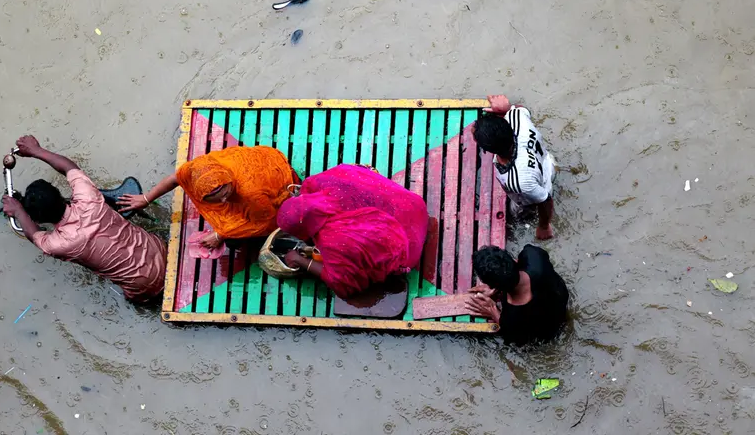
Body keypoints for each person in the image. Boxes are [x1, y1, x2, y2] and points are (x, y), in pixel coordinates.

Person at [0, 136, 167, 303]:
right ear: (59, 193)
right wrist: (37, 151)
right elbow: (69, 167)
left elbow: (34, 234)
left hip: (145, 289)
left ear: (38, 219)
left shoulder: (59, 244)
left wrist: (18, 211)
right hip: (162, 252)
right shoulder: (88, 198)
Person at [276, 164, 428, 298]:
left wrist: (300, 260)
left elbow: (344, 284)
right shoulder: (319, 181)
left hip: (410, 244)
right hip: (415, 205)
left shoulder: (332, 238)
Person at [118, 146, 297, 250]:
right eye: (217, 199)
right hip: (250, 175)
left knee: (234, 244)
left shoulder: (252, 195)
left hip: (273, 182)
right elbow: (174, 180)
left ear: (230, 181)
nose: (223, 202)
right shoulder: (197, 169)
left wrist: (220, 235)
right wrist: (146, 198)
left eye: (226, 194)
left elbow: (263, 224)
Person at [473, 94, 556, 240]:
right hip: (548, 163)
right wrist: (507, 109)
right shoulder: (517, 118)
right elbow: (521, 109)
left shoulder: (517, 182)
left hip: (534, 189)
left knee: (517, 215)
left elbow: (545, 199)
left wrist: (544, 226)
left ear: (489, 150)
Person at [465, 245, 568, 345]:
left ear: (490, 285)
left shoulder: (511, 316)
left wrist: (493, 310)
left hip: (545, 334)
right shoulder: (533, 255)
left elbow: (512, 337)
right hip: (560, 301)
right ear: (513, 261)